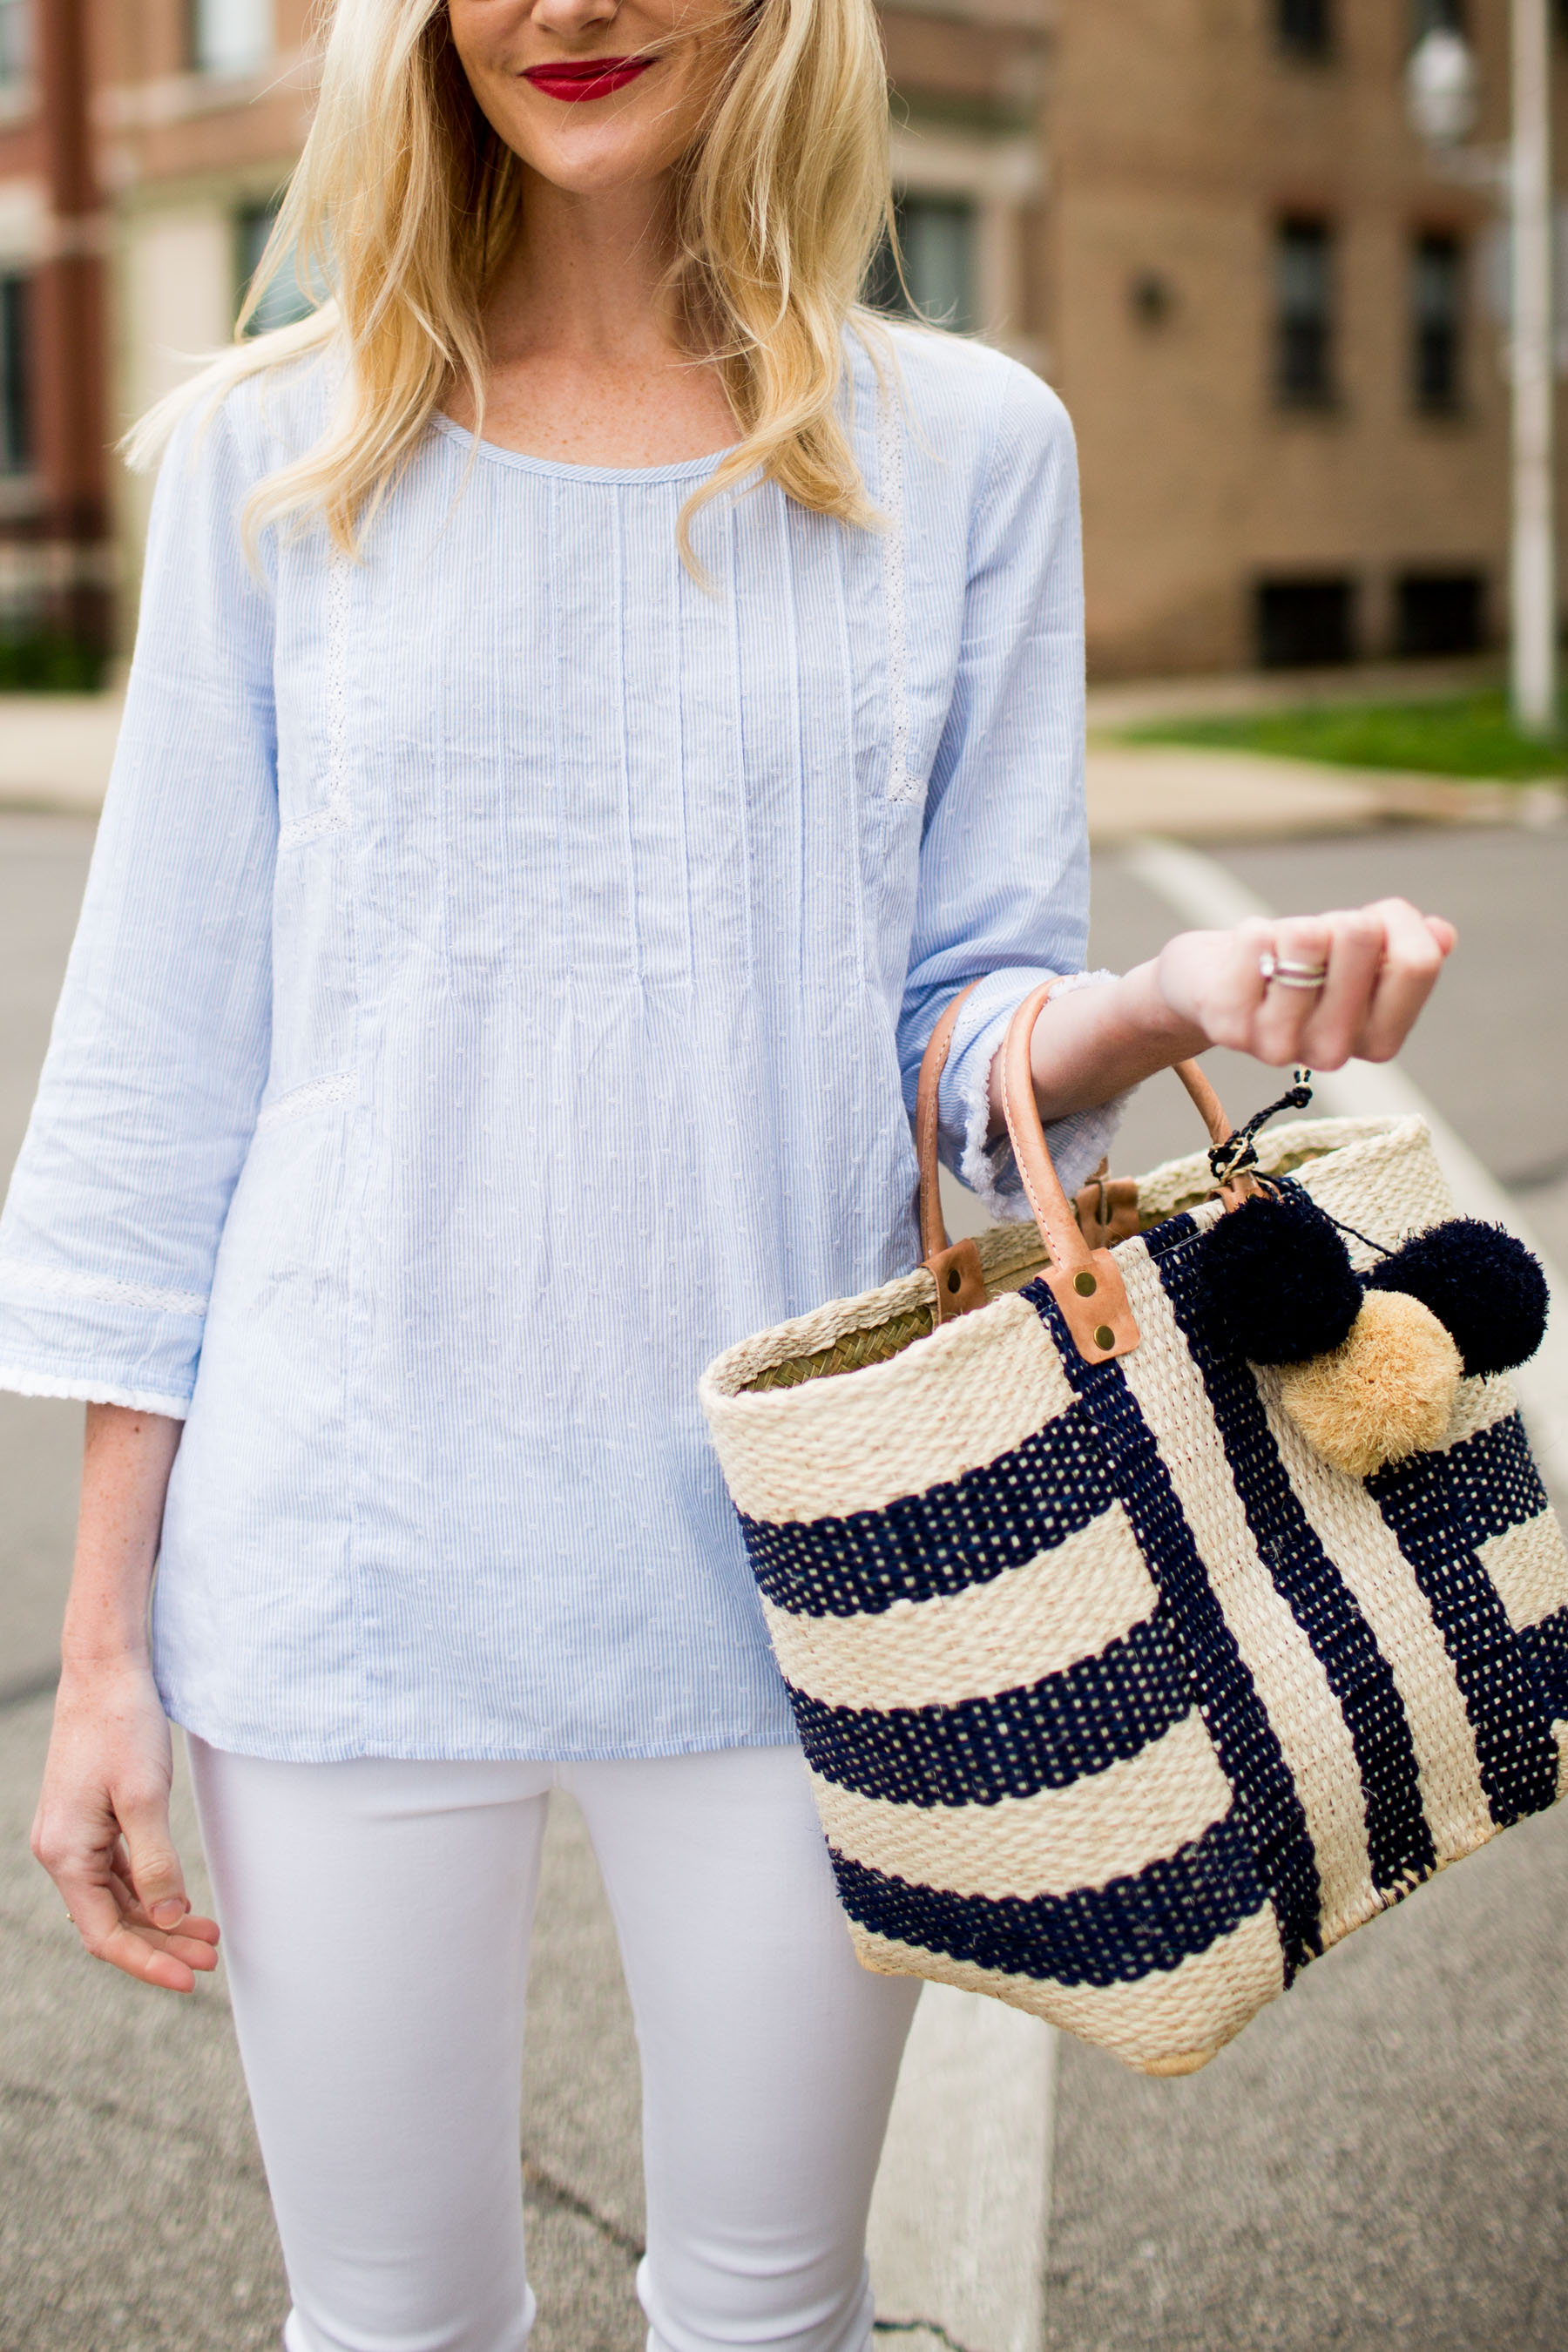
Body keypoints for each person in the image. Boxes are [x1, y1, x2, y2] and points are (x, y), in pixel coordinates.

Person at [7, 0, 1455, 2347]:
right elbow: (164, 1065)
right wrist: (98, 1656)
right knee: (384, 2320)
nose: (570, 7)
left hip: (803, 1562)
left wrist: (1176, 997)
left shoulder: (969, 447)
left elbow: (965, 1023)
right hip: (341, 1555)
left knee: (775, 2306)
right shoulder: (278, 458)